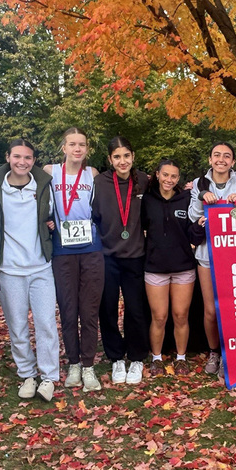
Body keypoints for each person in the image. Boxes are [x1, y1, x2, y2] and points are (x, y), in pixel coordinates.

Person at [0, 139, 60, 402]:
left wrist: (52, 226)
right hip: (9, 268)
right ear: (8, 157)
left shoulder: (44, 185)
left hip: (41, 267)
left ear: (34, 160)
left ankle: (49, 376)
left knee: (46, 323)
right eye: (17, 156)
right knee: (17, 326)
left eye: (28, 158)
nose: (22, 162)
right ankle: (27, 373)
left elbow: (53, 217)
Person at [44, 128, 105, 393]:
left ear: (87, 149)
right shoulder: (49, 172)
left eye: (82, 144)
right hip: (62, 250)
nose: (77, 149)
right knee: (68, 310)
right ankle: (74, 363)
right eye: (72, 144)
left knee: (89, 311)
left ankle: (89, 365)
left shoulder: (92, 174)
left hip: (91, 249)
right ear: (64, 148)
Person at [188, 142, 236, 375]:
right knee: (210, 310)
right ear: (210, 159)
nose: (221, 159)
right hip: (207, 254)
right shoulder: (199, 183)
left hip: (235, 256)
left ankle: (231, 354)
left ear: (233, 162)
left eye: (227, 156)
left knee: (234, 308)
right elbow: (193, 217)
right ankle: (214, 351)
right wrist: (201, 198)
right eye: (216, 155)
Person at [91, 136, 151, 385]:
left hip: (136, 256)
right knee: (108, 309)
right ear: (110, 160)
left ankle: (136, 356)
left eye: (126, 156)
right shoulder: (99, 182)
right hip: (107, 257)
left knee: (137, 310)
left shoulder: (145, 180)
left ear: (133, 156)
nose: (122, 161)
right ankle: (116, 357)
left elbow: (170, 190)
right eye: (117, 157)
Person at [141, 159, 196, 376]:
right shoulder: (146, 200)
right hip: (155, 267)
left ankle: (181, 358)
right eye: (165, 175)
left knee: (181, 315)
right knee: (159, 316)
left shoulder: (186, 199)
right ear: (157, 175)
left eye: (173, 176)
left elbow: (194, 229)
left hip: (183, 267)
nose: (169, 180)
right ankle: (156, 358)